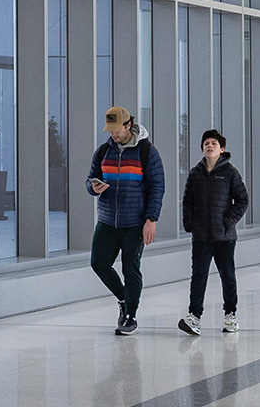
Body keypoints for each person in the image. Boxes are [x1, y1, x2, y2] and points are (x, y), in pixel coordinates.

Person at [88, 106, 165, 336]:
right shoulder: (103, 151)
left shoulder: (147, 152)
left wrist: (151, 219)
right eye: (109, 130)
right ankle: (123, 299)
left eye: (116, 130)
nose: (112, 134)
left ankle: (130, 316)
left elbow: (157, 187)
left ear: (128, 125)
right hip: (107, 220)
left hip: (134, 222)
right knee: (98, 264)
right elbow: (91, 178)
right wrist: (93, 186)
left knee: (130, 269)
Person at [178, 129, 250, 336]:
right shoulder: (195, 173)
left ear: (222, 149)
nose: (209, 146)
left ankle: (230, 315)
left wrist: (227, 221)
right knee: (198, 276)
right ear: (202, 148)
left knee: (227, 275)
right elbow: (188, 201)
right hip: (201, 236)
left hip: (224, 236)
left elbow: (242, 200)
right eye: (206, 143)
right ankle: (194, 316)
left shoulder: (230, 173)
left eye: (214, 144)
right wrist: (189, 223)